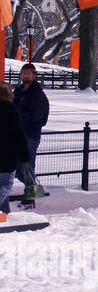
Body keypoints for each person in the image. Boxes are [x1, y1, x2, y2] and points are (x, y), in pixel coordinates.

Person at [13, 62, 49, 205]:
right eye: (24, 73)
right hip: (16, 134)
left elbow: (38, 116)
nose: (25, 76)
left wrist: (18, 116)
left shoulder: (37, 95)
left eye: (28, 73)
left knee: (26, 165)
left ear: (34, 76)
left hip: (30, 135)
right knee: (15, 165)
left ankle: (30, 195)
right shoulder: (18, 92)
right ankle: (31, 188)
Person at [0, 84, 30, 215]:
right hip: (7, 156)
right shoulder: (12, 112)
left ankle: (5, 214)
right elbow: (19, 136)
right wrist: (25, 157)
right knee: (5, 185)